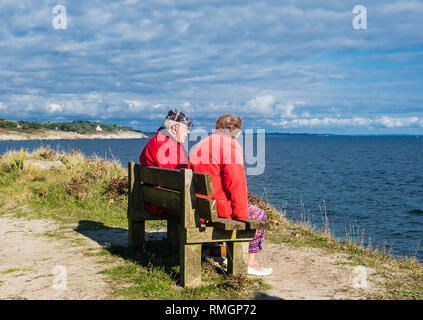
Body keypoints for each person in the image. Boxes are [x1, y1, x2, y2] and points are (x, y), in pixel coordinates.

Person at [189, 114, 272, 276]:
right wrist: (242, 217)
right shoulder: (231, 146)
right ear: (237, 132)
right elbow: (236, 185)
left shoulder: (200, 145)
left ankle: (216, 249)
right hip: (217, 208)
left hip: (200, 205)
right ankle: (250, 263)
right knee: (259, 214)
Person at [139, 109, 193, 215]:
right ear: (175, 127)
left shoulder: (158, 139)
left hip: (155, 198)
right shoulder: (168, 145)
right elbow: (180, 176)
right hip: (165, 202)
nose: (188, 132)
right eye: (186, 128)